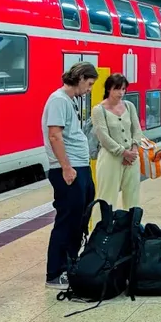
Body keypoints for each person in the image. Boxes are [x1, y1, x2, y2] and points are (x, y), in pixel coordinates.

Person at [44, 62, 99, 290]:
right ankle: (55, 273)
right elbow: (55, 135)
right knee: (67, 221)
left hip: (79, 167)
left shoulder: (70, 100)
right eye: (89, 83)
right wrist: (66, 167)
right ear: (79, 77)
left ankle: (70, 265)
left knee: (79, 219)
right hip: (69, 169)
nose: (89, 89)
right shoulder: (58, 100)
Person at [91, 74, 143, 212]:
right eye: (117, 89)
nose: (121, 93)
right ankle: (101, 230)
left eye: (123, 89)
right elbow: (103, 136)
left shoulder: (129, 106)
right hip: (110, 158)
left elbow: (137, 130)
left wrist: (133, 150)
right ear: (109, 89)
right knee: (106, 197)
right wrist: (123, 153)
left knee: (133, 197)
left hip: (132, 158)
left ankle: (131, 229)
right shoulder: (98, 110)